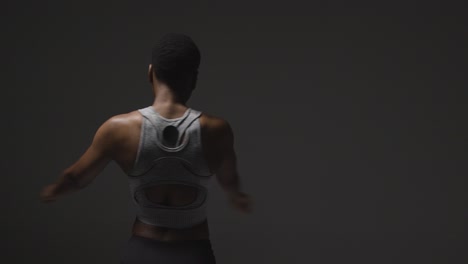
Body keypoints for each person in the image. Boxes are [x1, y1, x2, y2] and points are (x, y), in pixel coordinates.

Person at [39, 32, 253, 264]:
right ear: (194, 79)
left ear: (151, 72)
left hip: (143, 251)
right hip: (193, 252)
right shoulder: (217, 130)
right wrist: (237, 197)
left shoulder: (118, 129)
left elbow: (76, 177)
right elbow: (229, 180)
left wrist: (55, 190)